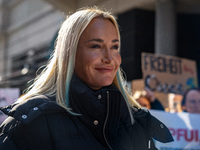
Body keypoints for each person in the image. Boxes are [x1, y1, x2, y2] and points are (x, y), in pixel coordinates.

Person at [0, 7, 173, 150]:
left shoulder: (134, 120)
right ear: (70, 53)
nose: (109, 58)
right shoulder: (29, 123)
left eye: (115, 47)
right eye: (96, 46)